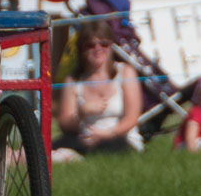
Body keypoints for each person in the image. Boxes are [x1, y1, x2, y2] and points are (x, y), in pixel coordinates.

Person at [53, 20, 143, 160]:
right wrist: (82, 113)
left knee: (108, 147)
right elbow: (65, 124)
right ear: (82, 49)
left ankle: (71, 156)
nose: (98, 49)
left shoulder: (125, 72)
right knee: (50, 147)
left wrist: (107, 133)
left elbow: (132, 118)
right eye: (90, 45)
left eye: (104, 44)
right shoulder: (73, 80)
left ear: (111, 47)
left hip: (119, 138)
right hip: (83, 138)